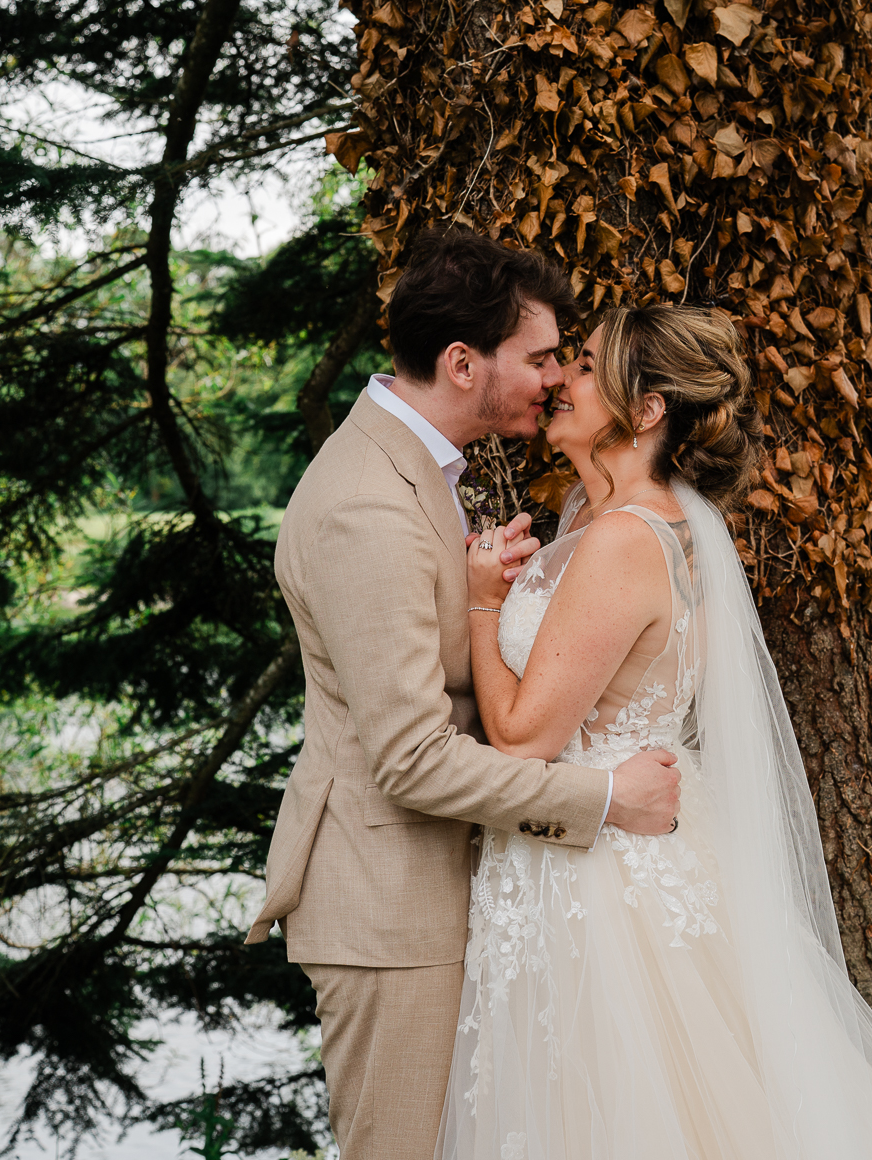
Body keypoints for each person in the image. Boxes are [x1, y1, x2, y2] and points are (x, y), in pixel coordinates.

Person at [444, 302, 872, 1159]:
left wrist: (481, 603)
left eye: (585, 366)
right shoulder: (613, 521)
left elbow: (520, 740)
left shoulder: (623, 538)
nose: (560, 381)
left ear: (648, 408)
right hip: (598, 843)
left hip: (601, 878)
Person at [245, 230, 682, 1160]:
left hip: (457, 890)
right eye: (537, 357)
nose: (555, 377)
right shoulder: (369, 505)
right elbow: (408, 758)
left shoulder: (423, 472)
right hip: (389, 908)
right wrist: (605, 799)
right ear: (461, 362)